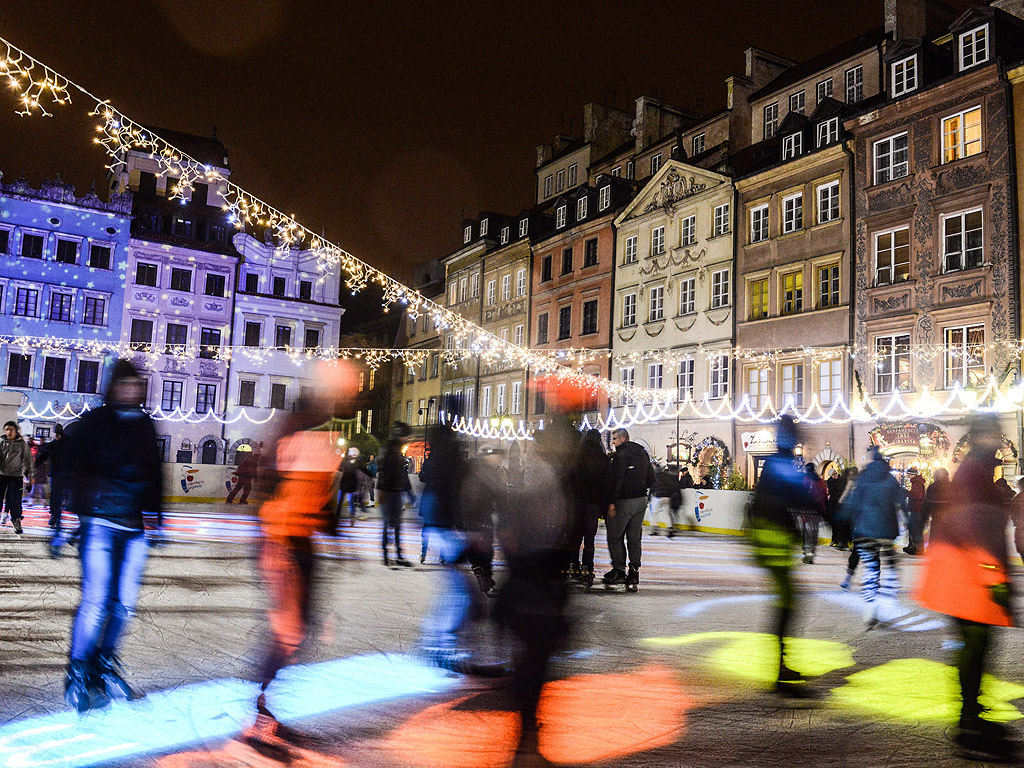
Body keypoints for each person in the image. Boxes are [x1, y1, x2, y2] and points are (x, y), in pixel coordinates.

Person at [244, 362, 351, 754]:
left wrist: (333, 534)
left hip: (298, 544)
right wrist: (271, 542)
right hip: (283, 544)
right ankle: (259, 717)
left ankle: (264, 711)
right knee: (288, 632)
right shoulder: (299, 429)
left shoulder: (318, 430)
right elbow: (276, 489)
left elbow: (317, 497)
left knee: (294, 632)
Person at [62, 359, 164, 712]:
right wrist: (63, 519)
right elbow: (68, 465)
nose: (131, 390)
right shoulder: (95, 422)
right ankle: (78, 670)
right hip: (100, 524)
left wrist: (157, 517)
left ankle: (103, 663)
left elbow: (155, 472)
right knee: (95, 601)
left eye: (137, 384)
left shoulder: (145, 425)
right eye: (126, 384)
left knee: (123, 605)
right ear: (113, 386)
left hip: (133, 527)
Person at [916, 415, 1017, 761]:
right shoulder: (975, 473)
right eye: (996, 436)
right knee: (975, 646)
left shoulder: (978, 470)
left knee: (978, 645)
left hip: (965, 572)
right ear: (985, 437)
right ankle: (968, 721)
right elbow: (974, 526)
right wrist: (994, 577)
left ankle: (972, 713)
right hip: (966, 575)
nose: (1000, 443)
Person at [746, 415, 815, 697]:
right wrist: (831, 516)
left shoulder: (778, 462)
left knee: (788, 601)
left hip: (771, 538)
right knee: (788, 602)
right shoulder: (782, 463)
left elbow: (797, 497)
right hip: (771, 539)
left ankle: (782, 664)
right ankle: (781, 668)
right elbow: (800, 496)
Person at [836, 447, 904, 628]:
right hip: (887, 531)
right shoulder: (890, 479)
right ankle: (889, 601)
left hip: (865, 530)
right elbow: (901, 501)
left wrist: (842, 519)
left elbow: (852, 503)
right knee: (891, 566)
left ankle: (870, 607)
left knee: (871, 568)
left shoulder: (863, 479)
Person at [603, 428, 654, 592]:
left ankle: (619, 570)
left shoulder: (621, 456)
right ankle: (634, 571)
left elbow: (617, 480)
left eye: (615, 439)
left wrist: (612, 502)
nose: (613, 442)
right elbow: (651, 478)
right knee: (634, 536)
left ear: (624, 439)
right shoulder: (642, 453)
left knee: (615, 534)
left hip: (625, 500)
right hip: (641, 500)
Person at [568, 429, 609, 587]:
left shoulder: (577, 457)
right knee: (590, 539)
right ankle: (588, 567)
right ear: (599, 441)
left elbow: (569, 479)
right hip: (593, 504)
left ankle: (574, 565)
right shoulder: (602, 459)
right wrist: (603, 503)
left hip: (577, 502)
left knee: (575, 537)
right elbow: (606, 483)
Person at [377, 422, 413, 567]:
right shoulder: (390, 450)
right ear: (401, 435)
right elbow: (385, 472)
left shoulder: (395, 449)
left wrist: (408, 491)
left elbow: (401, 474)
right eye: (406, 436)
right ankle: (388, 555)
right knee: (389, 524)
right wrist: (382, 492)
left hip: (394, 491)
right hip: (389, 492)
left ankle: (396, 555)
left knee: (395, 524)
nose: (408, 439)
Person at [0, 420, 32, 534]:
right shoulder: (1, 442)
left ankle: (16, 520)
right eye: (7, 429)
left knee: (16, 500)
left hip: (16, 477)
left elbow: (28, 461)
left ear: (16, 431)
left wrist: (30, 478)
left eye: (11, 429)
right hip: (2, 475)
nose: (9, 432)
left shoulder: (22, 444)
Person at [36, 424, 70, 530]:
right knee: (59, 495)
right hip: (64, 473)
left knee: (56, 495)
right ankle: (56, 515)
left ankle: (55, 515)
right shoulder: (68, 443)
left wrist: (33, 466)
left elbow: (43, 456)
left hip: (58, 473)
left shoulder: (54, 444)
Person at [799, 463, 827, 564]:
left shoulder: (805, 480)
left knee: (807, 533)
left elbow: (800, 494)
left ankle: (807, 553)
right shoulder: (820, 481)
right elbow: (824, 496)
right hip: (817, 511)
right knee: (814, 533)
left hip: (806, 511)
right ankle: (811, 553)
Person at [650, 462, 681, 537]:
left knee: (654, 513)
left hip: (658, 497)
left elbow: (652, 486)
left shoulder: (654, 477)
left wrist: (650, 496)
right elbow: (672, 486)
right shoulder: (667, 477)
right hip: (666, 497)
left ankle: (655, 529)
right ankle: (670, 528)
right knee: (667, 514)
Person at [904, 467, 927, 555]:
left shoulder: (917, 483)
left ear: (913, 475)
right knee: (913, 527)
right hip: (917, 509)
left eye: (909, 475)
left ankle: (917, 548)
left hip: (917, 509)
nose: (908, 476)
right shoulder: (917, 483)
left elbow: (917, 496)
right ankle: (913, 546)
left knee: (914, 528)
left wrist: (906, 493)